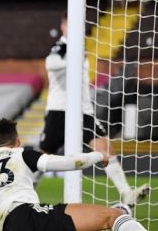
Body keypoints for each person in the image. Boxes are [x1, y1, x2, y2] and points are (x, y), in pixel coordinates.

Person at [0, 118, 147, 231]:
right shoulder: (22, 154)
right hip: (29, 218)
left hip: (5, 227)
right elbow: (70, 162)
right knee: (114, 216)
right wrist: (98, 155)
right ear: (17, 142)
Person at [40, 12, 149, 205]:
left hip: (83, 111)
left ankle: (126, 193)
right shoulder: (62, 46)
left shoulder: (80, 48)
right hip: (60, 110)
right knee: (42, 159)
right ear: (63, 27)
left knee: (105, 146)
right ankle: (20, 191)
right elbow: (50, 63)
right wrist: (70, 62)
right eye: (69, 25)